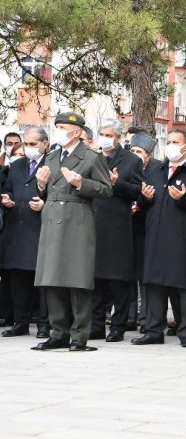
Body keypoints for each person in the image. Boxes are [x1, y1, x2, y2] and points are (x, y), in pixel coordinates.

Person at [33, 112, 113, 351]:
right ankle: (58, 333)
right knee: (52, 279)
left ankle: (79, 335)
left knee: (78, 280)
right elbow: (46, 192)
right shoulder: (52, 156)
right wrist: (41, 185)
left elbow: (106, 189)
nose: (58, 131)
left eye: (62, 127)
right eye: (56, 126)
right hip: (52, 220)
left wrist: (81, 183)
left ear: (76, 131)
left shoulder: (91, 156)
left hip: (77, 220)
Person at [132, 129, 186, 348]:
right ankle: (153, 330)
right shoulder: (154, 171)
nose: (170, 145)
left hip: (184, 239)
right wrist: (144, 198)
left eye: (175, 142)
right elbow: (142, 203)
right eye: (168, 141)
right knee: (154, 285)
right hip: (155, 237)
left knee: (185, 287)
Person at [89, 119, 145, 342]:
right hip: (93, 225)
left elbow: (138, 192)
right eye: (101, 134)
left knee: (118, 282)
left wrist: (117, 182)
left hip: (118, 229)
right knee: (95, 281)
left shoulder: (132, 161)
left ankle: (118, 327)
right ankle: (95, 325)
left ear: (119, 138)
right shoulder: (94, 158)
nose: (105, 138)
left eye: (109, 134)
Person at [0, 126, 50, 338]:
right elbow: (9, 189)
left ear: (45, 145)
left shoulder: (52, 165)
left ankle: (43, 324)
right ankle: (20, 322)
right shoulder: (18, 165)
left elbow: (58, 194)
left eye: (33, 144)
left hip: (40, 229)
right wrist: (7, 200)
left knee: (41, 283)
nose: (28, 148)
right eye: (25, 144)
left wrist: (45, 203)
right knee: (18, 280)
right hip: (16, 229)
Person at [128, 132, 161, 330]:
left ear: (148, 154)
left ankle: (146, 317)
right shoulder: (127, 166)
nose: (135, 154)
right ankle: (130, 316)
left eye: (139, 151)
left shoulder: (156, 170)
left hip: (147, 227)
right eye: (132, 150)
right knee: (130, 274)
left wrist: (143, 202)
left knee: (145, 275)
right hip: (128, 227)